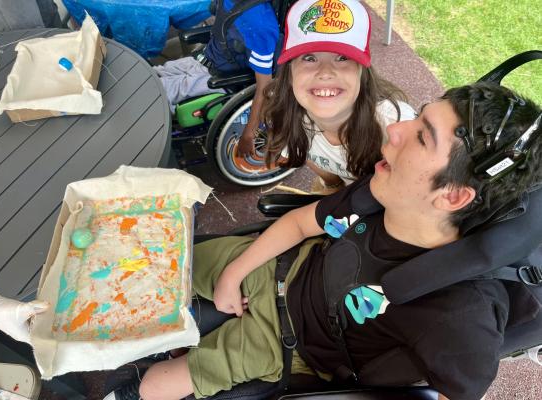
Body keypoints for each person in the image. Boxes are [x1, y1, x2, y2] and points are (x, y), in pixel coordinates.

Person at [104, 76, 542, 400]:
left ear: (453, 195)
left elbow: (461, 389)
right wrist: (232, 275)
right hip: (287, 266)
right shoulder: (378, 193)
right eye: (418, 117)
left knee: (155, 387)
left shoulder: (458, 313)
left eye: (422, 137)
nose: (395, 129)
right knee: (151, 261)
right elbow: (299, 224)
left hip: (288, 345)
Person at [262, 0, 416, 193]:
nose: (325, 72)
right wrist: (332, 186)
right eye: (309, 58)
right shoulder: (286, 110)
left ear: (362, 71)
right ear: (290, 73)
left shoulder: (396, 125)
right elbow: (311, 155)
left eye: (342, 58)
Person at [154, 0, 279, 156]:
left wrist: (249, 133)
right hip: (204, 59)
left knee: (151, 96)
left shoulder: (260, 26)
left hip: (219, 79)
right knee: (149, 75)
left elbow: (265, 88)